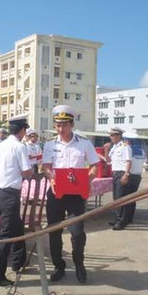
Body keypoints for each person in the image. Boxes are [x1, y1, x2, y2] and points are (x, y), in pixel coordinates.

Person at [42, 105, 98, 284]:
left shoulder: (84, 143)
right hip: (56, 193)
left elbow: (95, 165)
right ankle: (59, 266)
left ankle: (79, 265)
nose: (61, 129)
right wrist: (51, 178)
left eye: (64, 125)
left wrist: (87, 181)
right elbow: (47, 167)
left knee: (77, 232)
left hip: (75, 195)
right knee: (54, 231)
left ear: (72, 124)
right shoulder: (50, 144)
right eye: (58, 125)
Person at [0, 114, 33, 287]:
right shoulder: (19, 147)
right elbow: (27, 172)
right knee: (5, 235)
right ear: (22, 130)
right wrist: (29, 171)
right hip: (10, 194)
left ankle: (18, 261)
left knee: (16, 227)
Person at [107, 127, 132, 230]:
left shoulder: (125, 147)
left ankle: (121, 221)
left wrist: (126, 174)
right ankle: (117, 218)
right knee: (116, 198)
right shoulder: (114, 147)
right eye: (111, 135)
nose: (111, 137)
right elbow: (108, 160)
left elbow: (128, 161)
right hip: (115, 173)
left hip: (122, 173)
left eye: (113, 135)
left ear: (119, 136)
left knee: (121, 198)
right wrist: (106, 149)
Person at [123, 132, 146, 223]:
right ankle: (130, 218)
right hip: (138, 176)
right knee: (133, 198)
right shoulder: (142, 151)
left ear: (128, 141)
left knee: (126, 198)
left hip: (129, 175)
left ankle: (125, 217)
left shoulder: (127, 150)